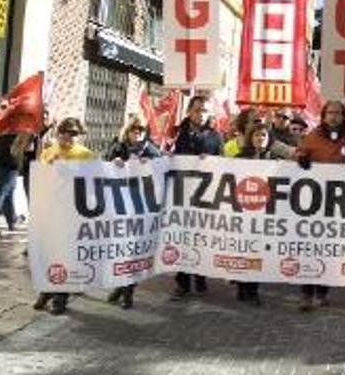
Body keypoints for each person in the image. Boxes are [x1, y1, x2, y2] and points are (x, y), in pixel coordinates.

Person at [295, 101, 345, 311]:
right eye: (330, 113)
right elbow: (299, 155)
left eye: (338, 113)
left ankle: (322, 293)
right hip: (312, 204)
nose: (333, 117)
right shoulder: (312, 137)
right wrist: (302, 159)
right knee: (309, 248)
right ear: (323, 116)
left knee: (328, 250)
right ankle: (306, 294)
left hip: (337, 207)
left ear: (344, 117)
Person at [32, 118, 95, 315]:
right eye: (64, 132)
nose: (68, 136)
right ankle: (47, 290)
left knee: (66, 256)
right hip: (51, 211)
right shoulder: (48, 152)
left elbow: (93, 182)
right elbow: (41, 179)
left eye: (73, 133)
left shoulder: (85, 155)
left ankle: (61, 298)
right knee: (48, 254)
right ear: (58, 133)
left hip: (72, 212)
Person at [104, 115, 161, 309]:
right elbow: (103, 167)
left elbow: (163, 170)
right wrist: (115, 162)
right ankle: (121, 288)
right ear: (127, 131)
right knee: (120, 249)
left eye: (141, 130)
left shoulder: (152, 150)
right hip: (119, 206)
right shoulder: (117, 148)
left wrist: (153, 164)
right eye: (134, 130)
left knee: (133, 251)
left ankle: (127, 292)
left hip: (141, 208)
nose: (138, 133)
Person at [172, 95, 223, 299]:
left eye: (205, 111)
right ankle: (182, 282)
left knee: (201, 238)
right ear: (189, 111)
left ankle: (201, 276)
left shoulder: (215, 136)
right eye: (198, 110)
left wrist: (211, 162)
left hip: (205, 197)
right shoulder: (176, 133)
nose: (201, 114)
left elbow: (223, 165)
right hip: (182, 194)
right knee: (183, 238)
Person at [235, 123, 276, 306]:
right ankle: (241, 288)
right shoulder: (238, 158)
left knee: (257, 252)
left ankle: (253, 290)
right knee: (243, 250)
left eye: (264, 136)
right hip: (242, 213)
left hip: (263, 215)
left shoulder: (275, 160)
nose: (260, 138)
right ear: (251, 137)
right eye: (257, 135)